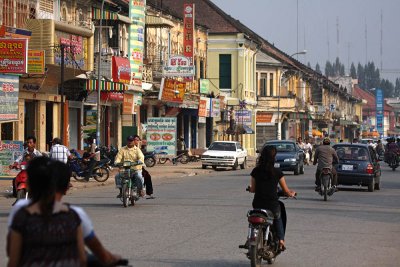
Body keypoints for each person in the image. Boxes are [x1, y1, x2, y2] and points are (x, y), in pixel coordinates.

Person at [7, 160, 121, 267]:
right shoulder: (75, 215)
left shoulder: (20, 214)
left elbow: (12, 257)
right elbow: (85, 257)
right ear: (66, 188)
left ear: (31, 185)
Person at [7, 157, 86, 267]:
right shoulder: (73, 216)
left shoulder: (21, 216)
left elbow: (11, 256)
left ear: (31, 185)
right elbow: (82, 259)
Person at [248, 145, 296, 251]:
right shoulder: (277, 172)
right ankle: (281, 240)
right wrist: (291, 193)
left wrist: (250, 189)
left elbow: (253, 189)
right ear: (274, 157)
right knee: (278, 217)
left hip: (257, 204)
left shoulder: (255, 171)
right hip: (272, 205)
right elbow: (286, 191)